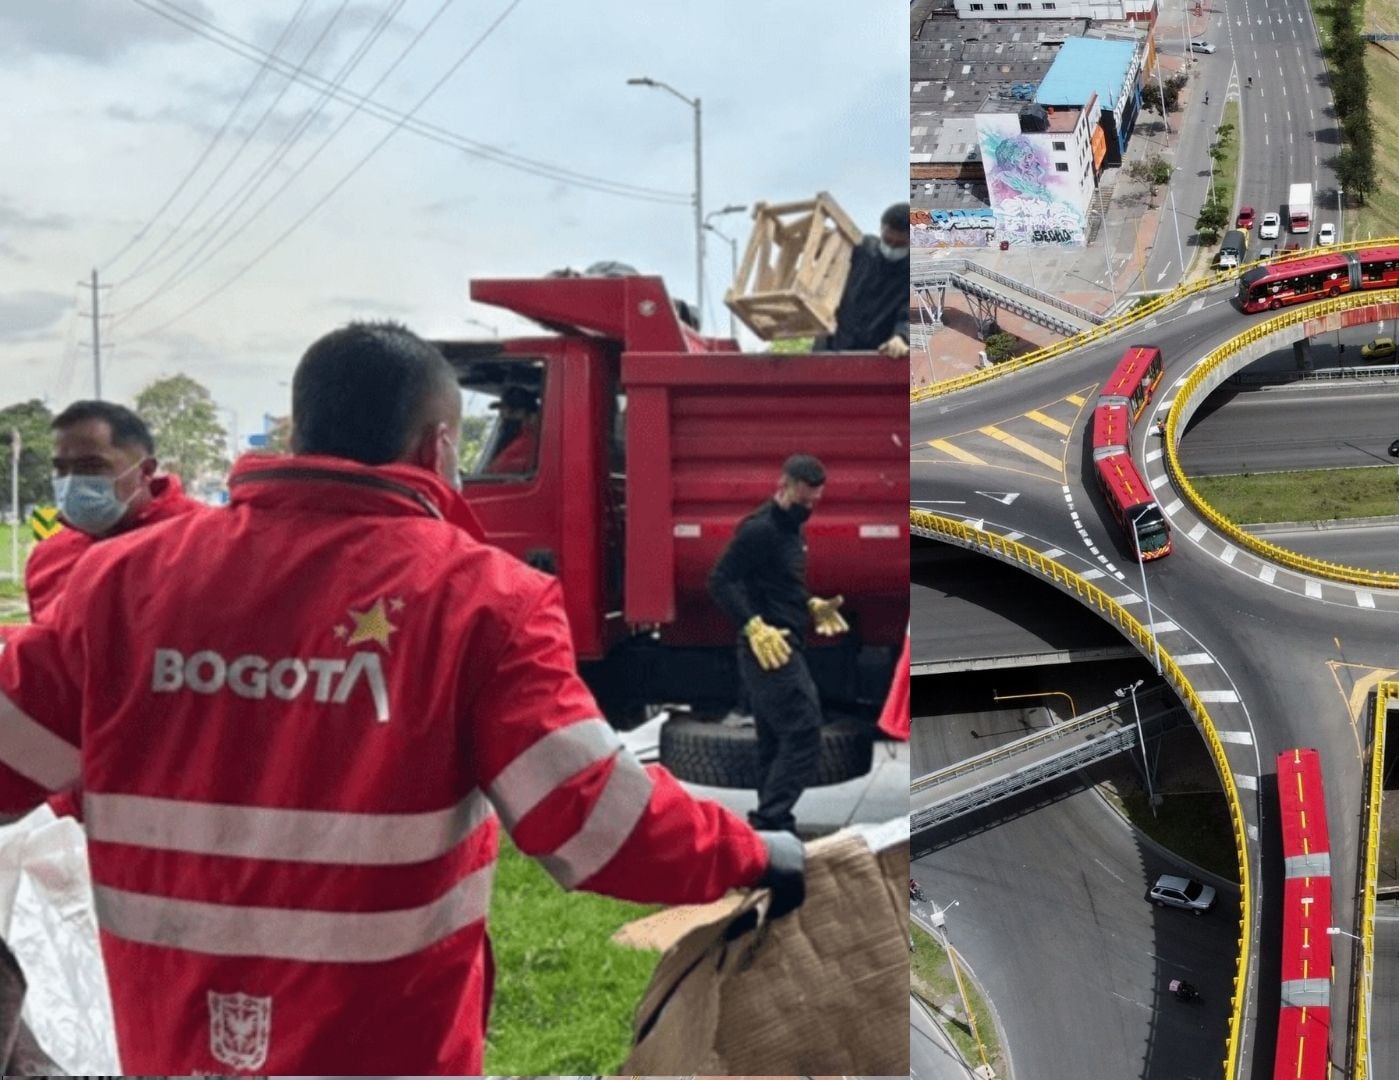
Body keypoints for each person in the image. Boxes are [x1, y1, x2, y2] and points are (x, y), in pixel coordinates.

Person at [0, 322, 804, 1074]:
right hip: (391, 1046)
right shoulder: (479, 599)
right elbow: (595, 822)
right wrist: (754, 852)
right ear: (439, 445)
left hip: (177, 1046)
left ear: (300, 428)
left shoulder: (121, 582)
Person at [709, 453, 847, 834]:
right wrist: (753, 625)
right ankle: (772, 819)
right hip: (769, 648)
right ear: (782, 487)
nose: (808, 509)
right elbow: (721, 580)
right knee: (803, 730)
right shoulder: (759, 530)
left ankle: (768, 829)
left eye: (814, 503)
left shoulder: (792, 530)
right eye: (803, 501)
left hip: (789, 640)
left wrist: (809, 604)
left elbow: (778, 584)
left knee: (774, 738)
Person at [24, 400, 202, 622]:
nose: (71, 481)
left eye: (91, 466)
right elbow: (45, 647)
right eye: (61, 469)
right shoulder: (49, 557)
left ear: (145, 471)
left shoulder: (203, 542)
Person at [815, 202, 910, 358]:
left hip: (878, 356)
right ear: (881, 229)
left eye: (900, 244)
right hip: (833, 346)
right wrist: (821, 240)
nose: (892, 247)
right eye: (887, 240)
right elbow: (828, 251)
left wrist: (903, 336)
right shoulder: (860, 249)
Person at [478, 386, 541, 475]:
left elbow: (500, 473)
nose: (506, 417)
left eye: (513, 412)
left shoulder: (533, 444)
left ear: (532, 416)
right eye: (503, 413)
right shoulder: (514, 441)